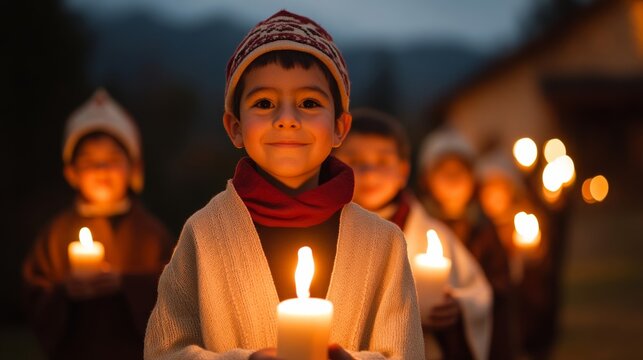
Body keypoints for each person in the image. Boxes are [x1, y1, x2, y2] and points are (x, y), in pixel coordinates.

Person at [144, 10, 424, 360]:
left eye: (309, 103)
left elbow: (406, 353)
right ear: (234, 127)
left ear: (340, 127)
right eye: (264, 103)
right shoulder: (204, 235)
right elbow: (163, 350)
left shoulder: (383, 243)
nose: (287, 120)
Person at [22, 89, 173, 360]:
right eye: (90, 161)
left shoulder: (150, 233)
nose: (102, 170)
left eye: (113, 160)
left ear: (134, 169)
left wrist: (125, 284)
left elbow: (176, 290)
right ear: (71, 173)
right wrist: (64, 292)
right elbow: (35, 295)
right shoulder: (55, 234)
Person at [334, 108, 492, 360]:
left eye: (383, 162)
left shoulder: (433, 235)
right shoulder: (326, 229)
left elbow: (477, 294)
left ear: (403, 172)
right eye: (354, 160)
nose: (369, 172)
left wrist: (457, 308)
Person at [417, 130, 513, 360]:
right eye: (443, 172)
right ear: (427, 180)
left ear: (473, 179)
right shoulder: (418, 224)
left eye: (460, 172)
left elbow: (500, 283)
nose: (452, 180)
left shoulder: (482, 229)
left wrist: (467, 300)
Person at [476, 151, 557, 359]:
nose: (494, 197)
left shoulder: (524, 218)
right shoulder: (479, 230)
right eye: (488, 190)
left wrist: (528, 253)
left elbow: (540, 262)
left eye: (499, 189)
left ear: (511, 190)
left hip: (525, 306)